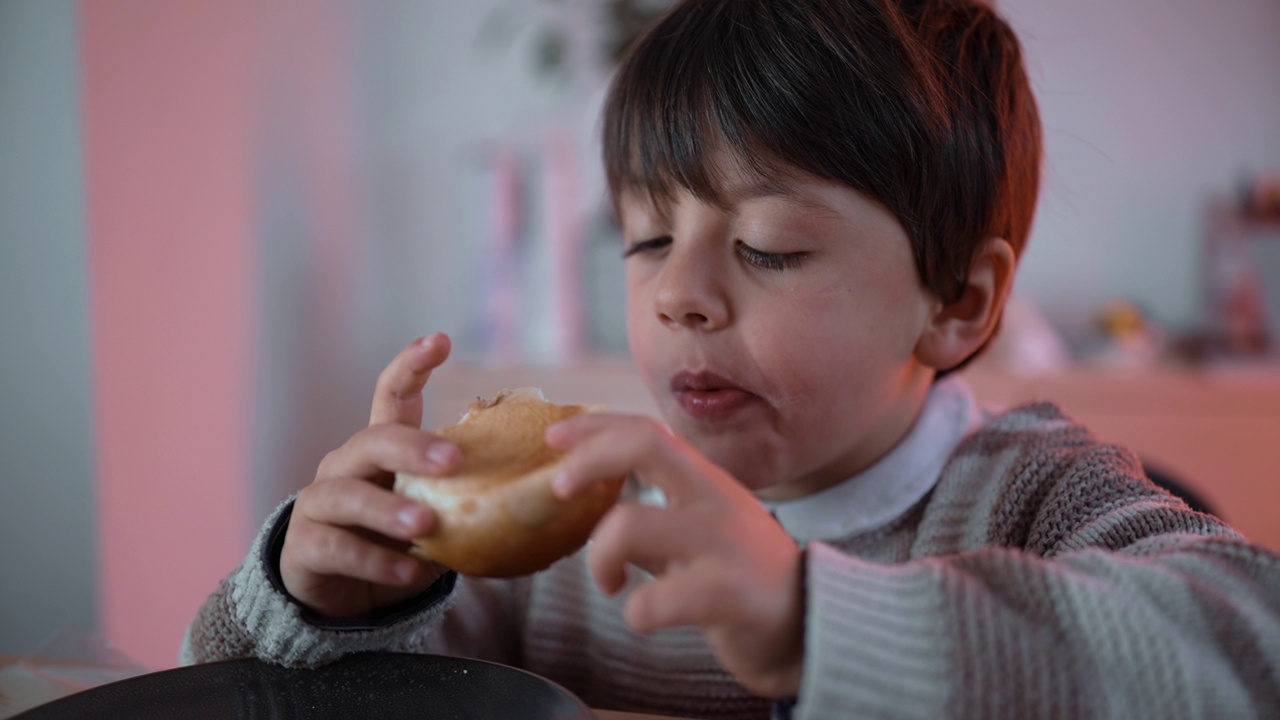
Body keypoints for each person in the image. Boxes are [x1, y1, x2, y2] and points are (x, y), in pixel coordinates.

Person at [181, 1, 1280, 718]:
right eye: (649, 238)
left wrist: (810, 620)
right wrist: (330, 598)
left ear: (955, 302)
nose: (678, 294)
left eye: (767, 247)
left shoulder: (1034, 493)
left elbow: (1253, 642)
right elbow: (245, 688)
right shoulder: (569, 516)